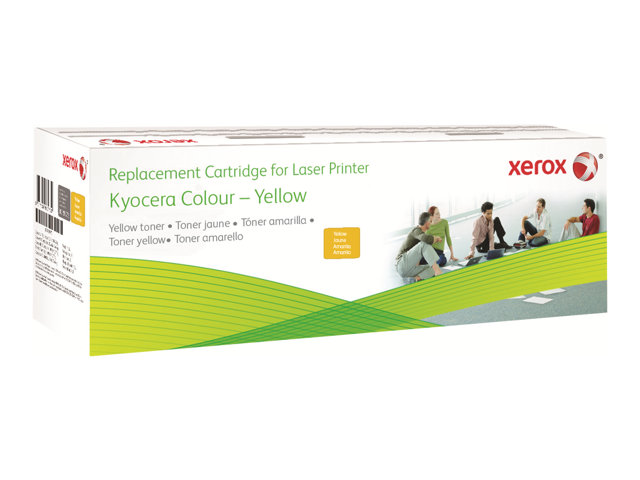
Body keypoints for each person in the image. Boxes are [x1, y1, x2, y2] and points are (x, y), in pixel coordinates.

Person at [395, 212, 443, 281]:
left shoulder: (421, 234)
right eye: (430, 221)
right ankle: (437, 271)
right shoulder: (416, 231)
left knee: (432, 267)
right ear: (426, 222)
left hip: (409, 269)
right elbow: (426, 239)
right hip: (401, 264)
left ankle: (418, 277)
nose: (431, 223)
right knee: (424, 243)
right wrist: (435, 238)